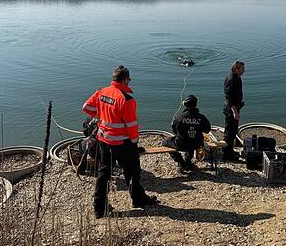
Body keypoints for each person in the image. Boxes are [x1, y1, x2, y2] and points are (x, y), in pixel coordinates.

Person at [82, 65, 158, 218]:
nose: (129, 82)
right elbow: (131, 125)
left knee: (104, 173)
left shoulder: (101, 92)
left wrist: (100, 115)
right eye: (129, 79)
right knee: (132, 172)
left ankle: (99, 208)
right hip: (123, 143)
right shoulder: (126, 99)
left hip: (103, 139)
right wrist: (135, 140)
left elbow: (86, 108)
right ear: (124, 79)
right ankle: (138, 200)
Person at [167, 95, 211, 174]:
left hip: (181, 144)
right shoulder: (202, 117)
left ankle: (182, 163)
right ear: (196, 104)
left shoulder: (179, 117)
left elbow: (174, 130)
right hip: (197, 144)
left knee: (165, 143)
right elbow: (207, 130)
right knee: (191, 140)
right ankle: (187, 161)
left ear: (185, 105)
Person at [221, 60, 245, 161]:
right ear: (236, 68)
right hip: (231, 109)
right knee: (230, 131)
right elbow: (229, 96)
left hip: (235, 107)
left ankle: (229, 150)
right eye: (242, 69)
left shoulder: (237, 78)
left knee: (233, 130)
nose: (244, 71)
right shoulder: (231, 79)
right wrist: (234, 111)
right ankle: (227, 154)